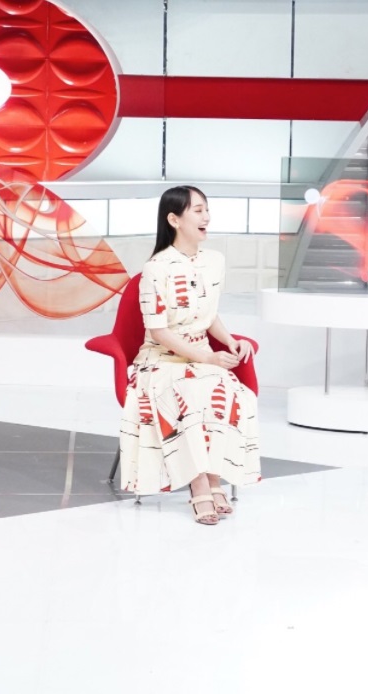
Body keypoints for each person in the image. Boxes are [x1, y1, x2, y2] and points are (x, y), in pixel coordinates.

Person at [117, 185, 261, 525]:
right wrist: (206, 358)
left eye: (206, 209)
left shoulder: (214, 262)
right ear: (174, 219)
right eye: (197, 210)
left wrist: (230, 342)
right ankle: (200, 484)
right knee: (188, 392)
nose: (206, 216)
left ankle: (214, 478)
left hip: (202, 355)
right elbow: (158, 332)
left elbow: (209, 315)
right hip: (161, 360)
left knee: (227, 391)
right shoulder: (156, 268)